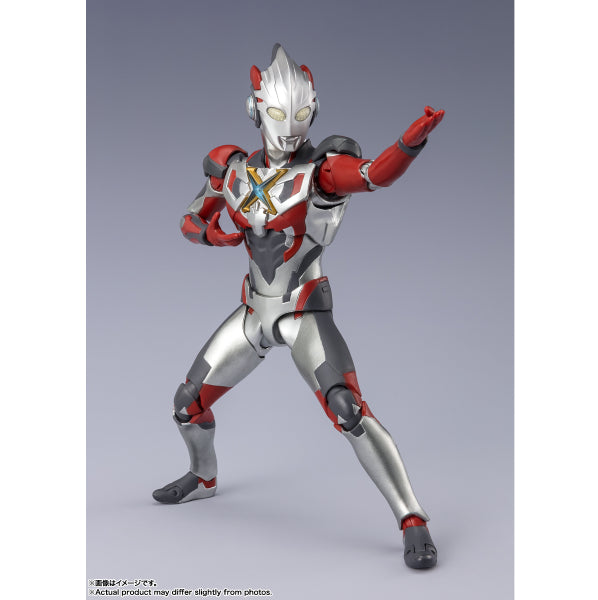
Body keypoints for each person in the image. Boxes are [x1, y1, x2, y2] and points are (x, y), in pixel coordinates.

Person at [153, 44, 444, 570]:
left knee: (347, 408)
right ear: (256, 109)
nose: (289, 127)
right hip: (253, 313)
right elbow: (191, 218)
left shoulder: (322, 172)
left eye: (301, 113)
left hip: (303, 310)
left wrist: (410, 142)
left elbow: (376, 174)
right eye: (278, 113)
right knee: (186, 404)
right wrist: (211, 235)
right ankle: (203, 476)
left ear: (313, 111)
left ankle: (411, 517)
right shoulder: (232, 169)